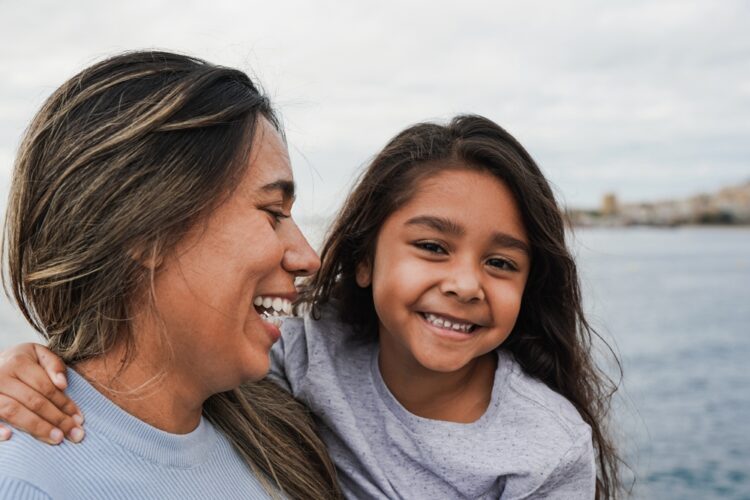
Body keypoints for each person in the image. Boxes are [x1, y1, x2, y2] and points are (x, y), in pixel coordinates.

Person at [1, 115, 623, 498]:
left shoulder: (546, 444)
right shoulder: (304, 355)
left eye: (502, 263)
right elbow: (144, 359)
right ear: (363, 260)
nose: (466, 283)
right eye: (433, 247)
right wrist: (38, 364)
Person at [0, 50, 340, 499]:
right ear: (144, 228)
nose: (308, 258)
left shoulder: (279, 438)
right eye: (273, 212)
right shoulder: (27, 481)